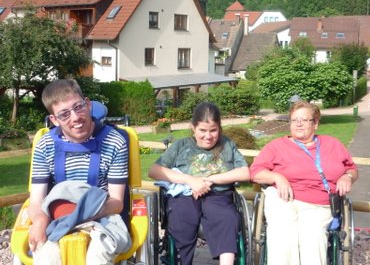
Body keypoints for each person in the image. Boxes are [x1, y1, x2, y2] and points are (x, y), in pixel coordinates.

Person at [28, 79, 131, 265]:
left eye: (78, 107)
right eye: (64, 114)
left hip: (102, 216)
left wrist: (79, 215)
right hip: (56, 218)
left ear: (88, 103)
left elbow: (116, 203)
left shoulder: (115, 141)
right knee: (47, 256)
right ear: (54, 120)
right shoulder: (45, 145)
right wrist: (40, 219)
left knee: (97, 255)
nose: (75, 118)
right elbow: (36, 201)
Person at [250, 100, 358, 265]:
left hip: (318, 205)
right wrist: (277, 177)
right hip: (283, 200)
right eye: (294, 120)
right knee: (282, 231)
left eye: (304, 120)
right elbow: (255, 172)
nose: (298, 124)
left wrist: (347, 177)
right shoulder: (276, 146)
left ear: (315, 124)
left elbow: (352, 169)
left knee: (313, 235)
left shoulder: (332, 144)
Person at [148, 102, 250, 265]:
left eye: (213, 130)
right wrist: (191, 180)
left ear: (219, 128)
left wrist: (210, 180)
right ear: (193, 128)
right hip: (185, 195)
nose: (208, 136)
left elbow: (245, 172)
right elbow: (154, 170)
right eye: (202, 130)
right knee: (182, 216)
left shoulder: (227, 144)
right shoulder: (181, 146)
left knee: (226, 217)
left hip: (218, 196)